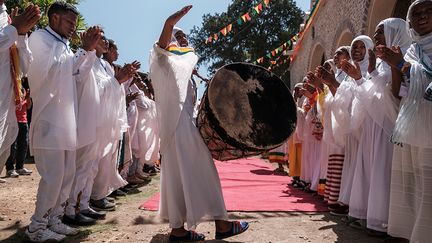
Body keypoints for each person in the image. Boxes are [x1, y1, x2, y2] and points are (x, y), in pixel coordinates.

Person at [149, 5, 249, 241]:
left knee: (178, 177)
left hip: (180, 128)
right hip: (179, 128)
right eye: (178, 36)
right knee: (205, 173)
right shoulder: (162, 60)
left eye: (184, 36)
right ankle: (223, 225)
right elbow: (161, 47)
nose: (183, 39)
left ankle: (178, 230)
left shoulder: (182, 70)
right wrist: (169, 24)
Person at [25, 2, 100, 242]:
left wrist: (87, 52)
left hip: (66, 120)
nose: (73, 28)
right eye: (69, 22)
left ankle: (54, 219)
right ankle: (36, 227)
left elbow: (76, 75)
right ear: (54, 18)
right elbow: (47, 73)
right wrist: (82, 51)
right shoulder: (39, 39)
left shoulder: (63, 45)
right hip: (48, 119)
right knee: (53, 176)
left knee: (67, 174)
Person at [387, 0, 432, 241]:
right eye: (416, 13)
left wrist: (403, 66)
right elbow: (401, 90)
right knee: (419, 184)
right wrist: (398, 66)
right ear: (409, 21)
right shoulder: (412, 51)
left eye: (428, 11)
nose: (423, 16)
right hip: (416, 123)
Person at [0, 1, 40, 183]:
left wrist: (22, 34)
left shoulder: (7, 18)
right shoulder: (11, 24)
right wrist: (14, 28)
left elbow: (23, 68)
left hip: (7, 101)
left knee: (4, 149)